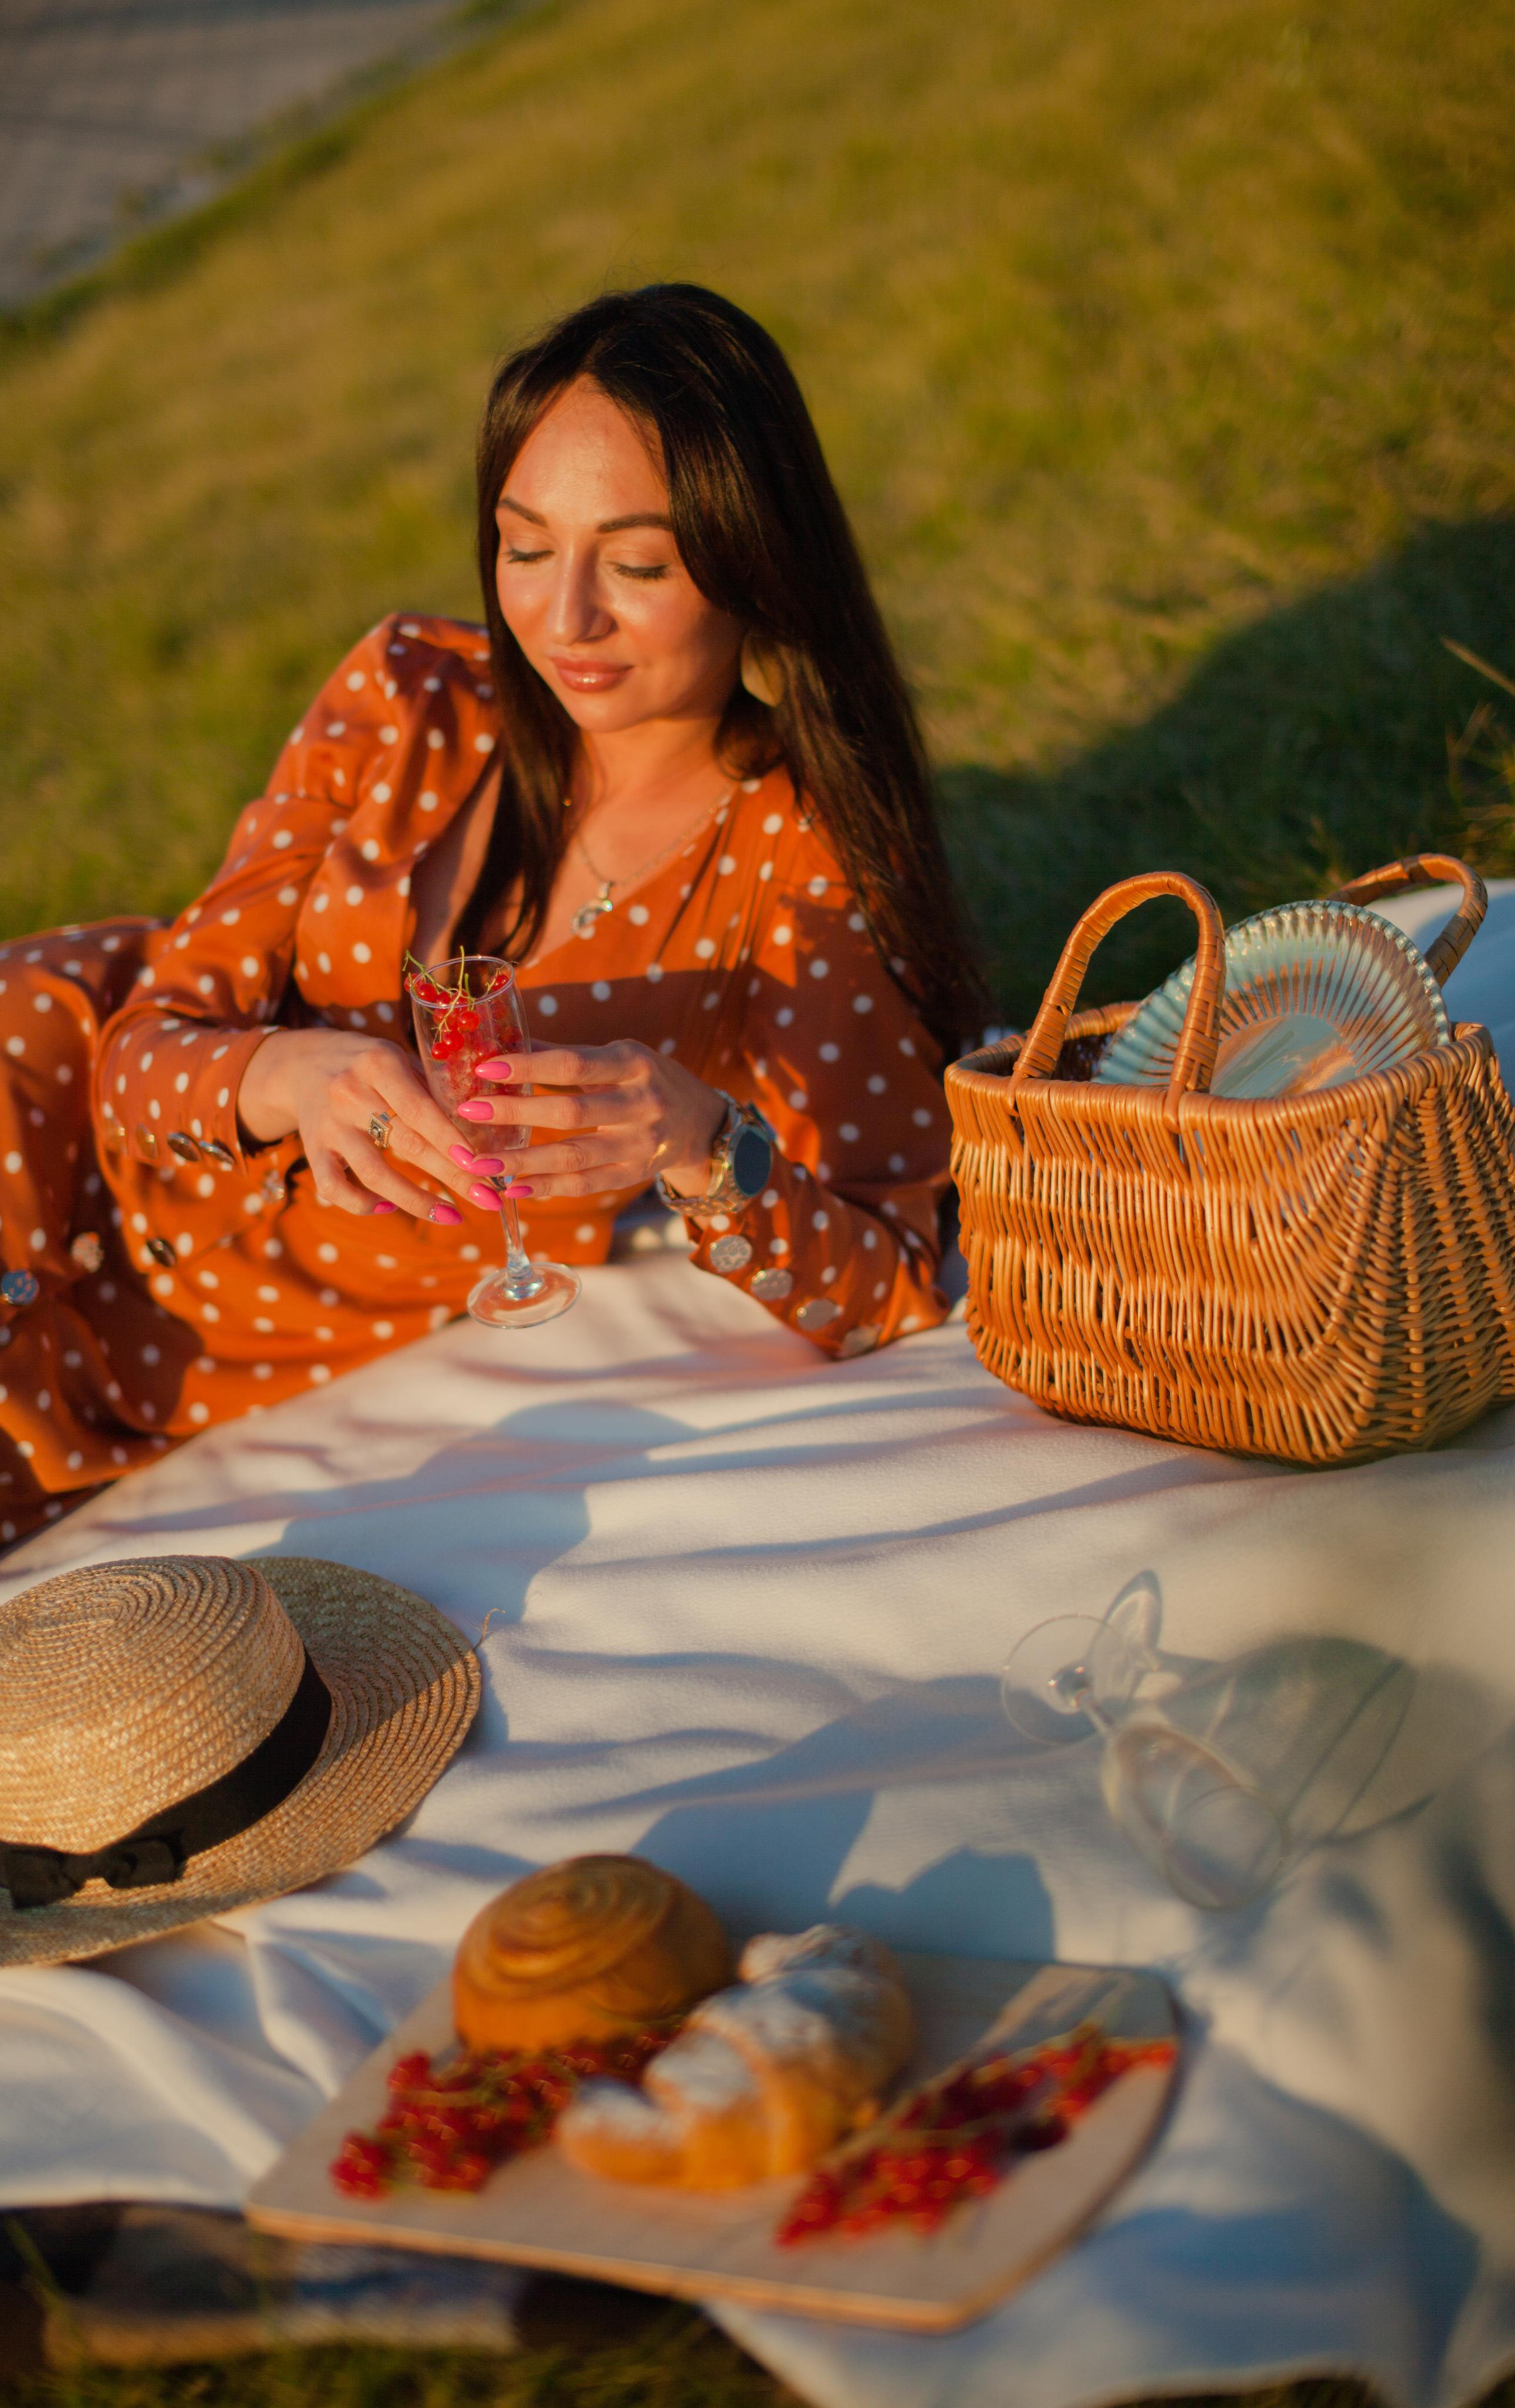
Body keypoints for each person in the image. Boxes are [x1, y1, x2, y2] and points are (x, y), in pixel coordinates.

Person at [0, 283, 988, 1552]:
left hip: (197, 1344)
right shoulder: (408, 691)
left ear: (756, 562)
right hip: (43, 1100)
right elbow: (137, 1050)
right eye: (526, 547)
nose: (562, 620)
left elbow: (889, 1278)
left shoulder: (790, 859)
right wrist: (292, 1073)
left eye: (635, 564)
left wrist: (698, 1140)